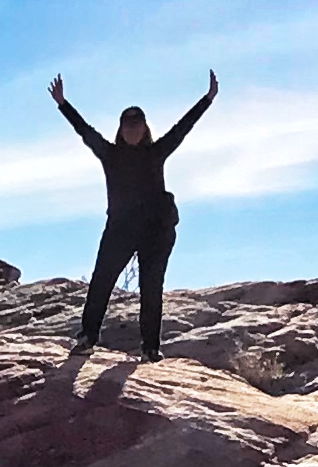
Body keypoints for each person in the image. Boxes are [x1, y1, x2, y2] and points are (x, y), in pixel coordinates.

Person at [49, 67, 217, 362]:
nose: (133, 130)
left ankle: (150, 348)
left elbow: (182, 127)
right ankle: (88, 336)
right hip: (120, 229)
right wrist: (63, 104)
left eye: (137, 125)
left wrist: (208, 99)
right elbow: (84, 130)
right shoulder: (110, 154)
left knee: (151, 288)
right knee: (102, 280)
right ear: (121, 128)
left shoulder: (156, 152)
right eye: (128, 125)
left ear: (145, 128)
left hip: (155, 230)